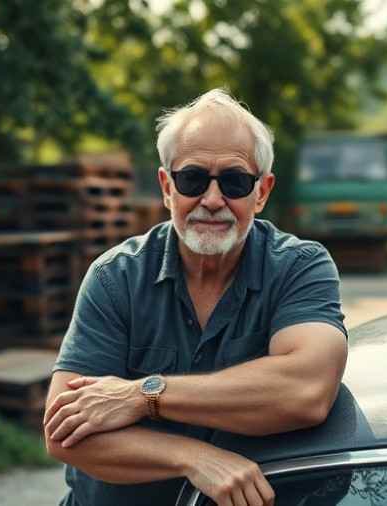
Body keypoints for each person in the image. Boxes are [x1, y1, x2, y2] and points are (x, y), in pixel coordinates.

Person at [43, 88, 348, 506]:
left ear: (261, 192)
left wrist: (141, 397)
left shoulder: (300, 267)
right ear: (167, 187)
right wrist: (193, 458)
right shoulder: (115, 278)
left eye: (235, 181)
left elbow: (307, 389)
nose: (211, 199)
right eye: (192, 179)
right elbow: (65, 434)